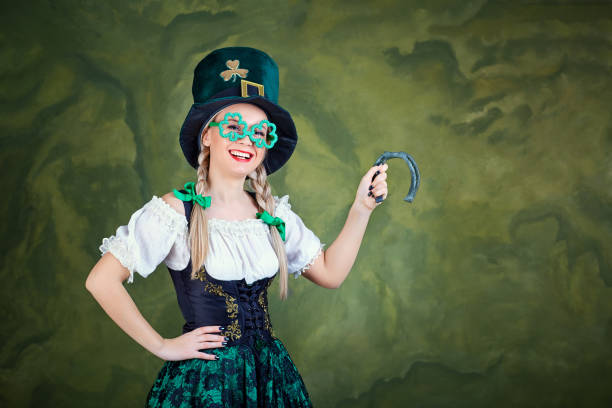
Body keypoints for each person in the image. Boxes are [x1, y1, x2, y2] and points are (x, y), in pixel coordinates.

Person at [85, 47, 388, 407]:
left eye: (260, 133)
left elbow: (330, 273)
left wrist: (362, 207)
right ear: (207, 136)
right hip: (205, 383)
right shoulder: (174, 212)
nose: (247, 140)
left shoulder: (271, 213)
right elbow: (101, 280)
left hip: (271, 379)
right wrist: (163, 346)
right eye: (233, 127)